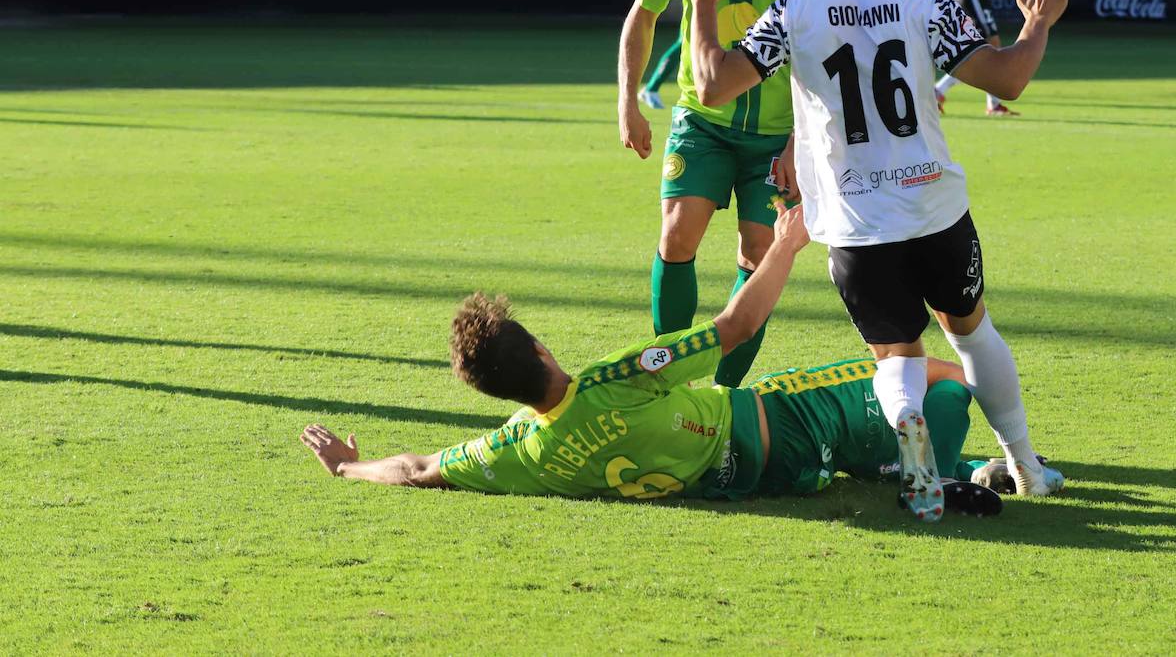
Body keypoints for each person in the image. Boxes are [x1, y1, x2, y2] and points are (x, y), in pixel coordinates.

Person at [680, 0, 1072, 519]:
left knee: (896, 356)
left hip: (857, 224)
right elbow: (1009, 77)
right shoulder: (926, 5)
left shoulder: (793, 13)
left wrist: (702, 2)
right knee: (971, 331)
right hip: (936, 209)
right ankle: (1026, 466)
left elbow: (713, 83)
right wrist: (1037, 24)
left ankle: (911, 426)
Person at [301, 207, 1004, 520]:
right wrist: (787, 242)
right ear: (542, 350)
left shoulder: (522, 449)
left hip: (756, 485)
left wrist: (347, 466)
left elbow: (418, 470)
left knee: (882, 425)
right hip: (778, 423)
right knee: (938, 379)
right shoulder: (614, 379)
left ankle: (943, 470)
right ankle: (928, 476)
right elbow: (735, 326)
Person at [617, 0, 823, 391]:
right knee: (677, 233)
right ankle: (665, 378)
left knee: (759, 256)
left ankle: (726, 394)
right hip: (702, 122)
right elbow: (643, 15)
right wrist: (627, 103)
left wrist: (798, 143)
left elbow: (822, 53)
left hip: (776, 137)